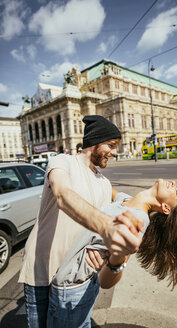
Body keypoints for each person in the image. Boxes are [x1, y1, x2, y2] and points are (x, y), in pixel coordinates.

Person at [18, 115, 144, 328]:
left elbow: (96, 225)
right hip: (42, 266)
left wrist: (100, 252)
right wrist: (106, 227)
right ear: (95, 141)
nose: (115, 152)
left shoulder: (104, 182)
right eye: (111, 145)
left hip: (74, 278)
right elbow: (63, 195)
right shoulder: (62, 162)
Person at [46, 178, 177, 328]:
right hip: (71, 285)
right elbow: (106, 188)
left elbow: (106, 282)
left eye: (176, 192)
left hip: (71, 291)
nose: (173, 183)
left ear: (166, 208)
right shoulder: (128, 200)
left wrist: (118, 256)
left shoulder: (137, 220)